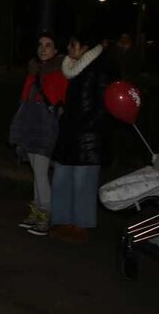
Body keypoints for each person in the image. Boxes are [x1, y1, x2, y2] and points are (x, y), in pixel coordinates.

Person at [47, 32, 114, 242]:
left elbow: (104, 104)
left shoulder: (100, 68)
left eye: (72, 45)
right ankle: (64, 220)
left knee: (83, 181)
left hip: (88, 136)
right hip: (70, 132)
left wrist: (87, 126)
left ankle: (80, 225)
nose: (69, 49)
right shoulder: (75, 68)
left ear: (85, 47)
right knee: (62, 178)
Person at [9, 33, 68, 234]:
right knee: (36, 173)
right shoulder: (33, 71)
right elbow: (24, 100)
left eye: (48, 45)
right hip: (30, 125)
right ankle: (36, 211)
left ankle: (45, 214)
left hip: (46, 127)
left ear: (56, 50)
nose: (43, 49)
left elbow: (60, 102)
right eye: (41, 45)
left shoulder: (60, 72)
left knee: (41, 173)